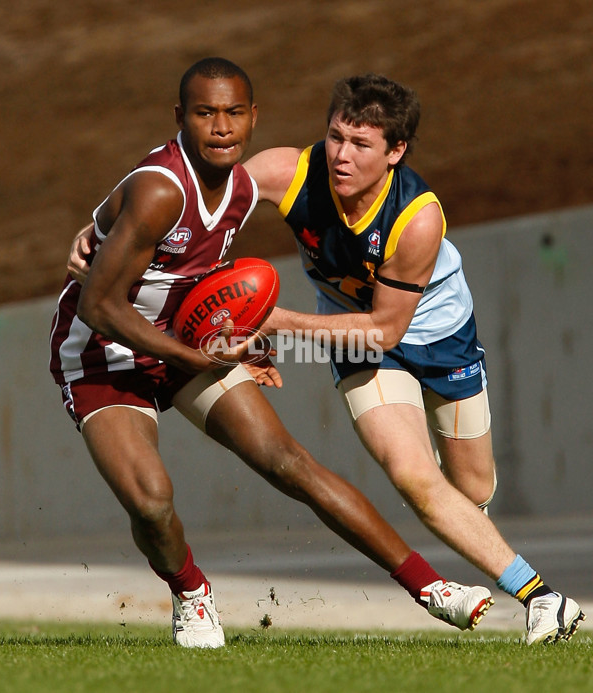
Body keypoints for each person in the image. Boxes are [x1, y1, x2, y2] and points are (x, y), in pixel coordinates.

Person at [52, 58, 495, 649]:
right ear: (179, 117)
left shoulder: (242, 186)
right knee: (153, 501)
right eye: (205, 113)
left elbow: (194, 270)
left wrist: (235, 337)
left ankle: (431, 588)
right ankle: (191, 592)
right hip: (103, 351)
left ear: (254, 117)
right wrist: (196, 356)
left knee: (291, 464)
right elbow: (98, 306)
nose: (221, 127)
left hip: (185, 338)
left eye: (235, 113)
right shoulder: (161, 188)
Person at [241, 73, 585, 645]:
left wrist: (274, 323)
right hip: (357, 341)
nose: (341, 155)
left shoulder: (418, 217)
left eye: (361, 144)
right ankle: (544, 600)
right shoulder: (287, 172)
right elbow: (196, 203)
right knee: (414, 479)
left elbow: (384, 328)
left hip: (436, 335)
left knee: (469, 490)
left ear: (395, 152)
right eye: (335, 136)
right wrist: (105, 225)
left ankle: (474, 525)